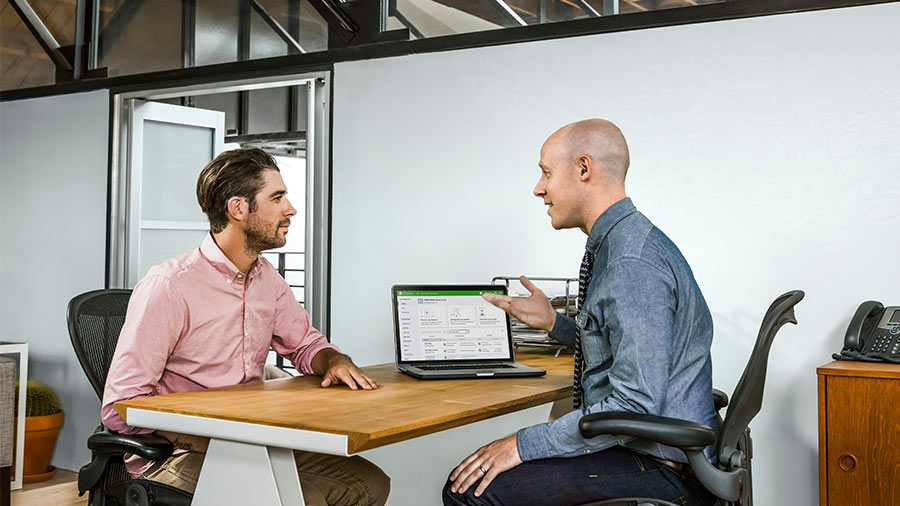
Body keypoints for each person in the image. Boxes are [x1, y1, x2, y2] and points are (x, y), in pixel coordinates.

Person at [443, 119, 717, 506]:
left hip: (660, 465)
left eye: (546, 173)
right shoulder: (627, 243)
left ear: (584, 169)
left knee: (469, 491)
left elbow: (633, 403)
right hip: (656, 450)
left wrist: (520, 445)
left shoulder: (631, 264)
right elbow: (627, 347)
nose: (538, 188)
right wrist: (554, 323)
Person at [102, 148, 389, 506]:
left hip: (251, 441)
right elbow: (120, 405)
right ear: (238, 209)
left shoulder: (267, 279)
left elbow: (304, 345)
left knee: (369, 483)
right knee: (292, 499)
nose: (291, 209)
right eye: (277, 197)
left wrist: (333, 360)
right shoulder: (169, 285)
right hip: (175, 454)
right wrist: (213, 437)